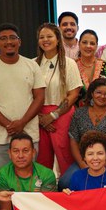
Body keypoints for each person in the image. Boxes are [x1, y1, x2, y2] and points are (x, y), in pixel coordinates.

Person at [0, 23, 45, 171]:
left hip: (29, 134)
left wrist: (22, 123)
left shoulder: (32, 66)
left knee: (29, 182)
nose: (8, 42)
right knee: (4, 183)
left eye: (13, 38)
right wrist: (8, 125)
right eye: (3, 38)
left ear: (19, 41)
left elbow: (39, 98)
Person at [58, 78, 106, 189]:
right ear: (92, 93)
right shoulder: (79, 113)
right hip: (86, 160)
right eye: (98, 92)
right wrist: (84, 165)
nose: (102, 97)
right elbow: (73, 142)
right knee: (65, 182)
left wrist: (101, 164)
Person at [35, 23, 83, 174]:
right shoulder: (32, 63)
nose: (45, 40)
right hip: (38, 116)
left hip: (62, 114)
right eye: (42, 37)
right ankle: (44, 193)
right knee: (41, 159)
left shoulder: (69, 63)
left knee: (65, 158)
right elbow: (27, 95)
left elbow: (74, 94)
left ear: (58, 39)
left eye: (49, 36)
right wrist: (39, 117)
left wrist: (53, 115)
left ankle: (68, 192)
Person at [75, 29, 106, 100]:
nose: (88, 46)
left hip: (104, 109)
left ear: (96, 46)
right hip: (77, 110)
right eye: (84, 42)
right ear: (79, 44)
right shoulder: (72, 67)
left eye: (92, 43)